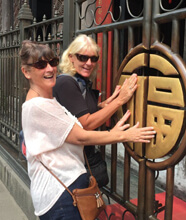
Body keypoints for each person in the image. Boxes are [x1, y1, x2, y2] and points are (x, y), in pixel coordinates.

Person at [20, 40, 155, 220]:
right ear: (26, 71)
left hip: (64, 187)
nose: (49, 68)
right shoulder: (42, 103)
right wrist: (123, 134)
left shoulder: (46, 97)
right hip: (60, 193)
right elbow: (81, 133)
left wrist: (106, 104)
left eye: (52, 62)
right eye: (41, 65)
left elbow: (73, 120)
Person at [54, 34, 138, 187]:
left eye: (93, 59)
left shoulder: (78, 81)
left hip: (76, 161)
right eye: (83, 57)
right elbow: (84, 124)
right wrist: (120, 100)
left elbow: (73, 112)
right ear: (71, 57)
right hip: (72, 164)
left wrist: (102, 106)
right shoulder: (67, 82)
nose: (89, 63)